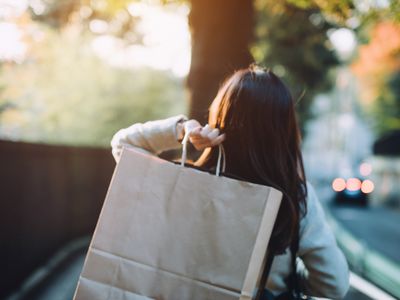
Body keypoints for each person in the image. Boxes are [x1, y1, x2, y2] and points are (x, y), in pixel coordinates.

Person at [110, 65, 349, 299]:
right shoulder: (293, 198)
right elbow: (333, 284)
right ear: (283, 131)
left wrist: (183, 130)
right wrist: (284, 278)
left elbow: (123, 145)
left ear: (220, 117)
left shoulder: (187, 184)